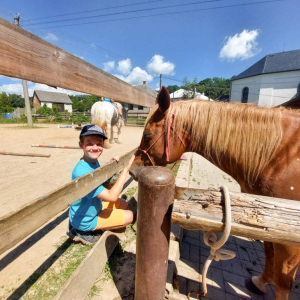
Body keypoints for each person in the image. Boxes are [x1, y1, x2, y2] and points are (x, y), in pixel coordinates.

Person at [67, 124, 135, 245]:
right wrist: (125, 170)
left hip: (92, 207)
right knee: (129, 216)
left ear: (103, 145)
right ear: (80, 145)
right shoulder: (82, 173)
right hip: (86, 219)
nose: (95, 147)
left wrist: (111, 166)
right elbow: (112, 197)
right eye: (89, 143)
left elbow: (101, 182)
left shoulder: (91, 161)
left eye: (99, 144)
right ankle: (83, 232)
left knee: (124, 203)